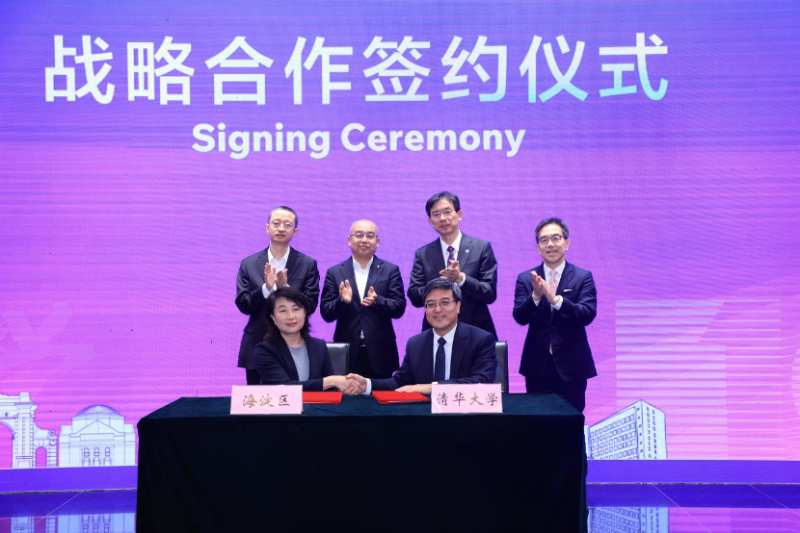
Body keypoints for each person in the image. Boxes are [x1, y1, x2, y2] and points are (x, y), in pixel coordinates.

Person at [347, 278, 496, 395]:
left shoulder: (481, 340)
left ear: (458, 306)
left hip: (465, 416)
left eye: (445, 302)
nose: (437, 309)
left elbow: (482, 382)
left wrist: (431, 388)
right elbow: (400, 382)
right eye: (431, 304)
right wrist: (367, 384)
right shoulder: (415, 344)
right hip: (424, 417)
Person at [513, 217, 597, 413]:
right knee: (538, 423)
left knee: (571, 421)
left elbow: (587, 314)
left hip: (572, 366)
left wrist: (556, 300)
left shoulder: (583, 277)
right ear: (538, 248)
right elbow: (519, 317)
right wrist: (535, 296)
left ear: (567, 243)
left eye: (555, 238)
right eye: (544, 240)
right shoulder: (526, 278)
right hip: (537, 366)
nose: (550, 244)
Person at [235, 206, 320, 385]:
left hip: (295, 345)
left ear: (295, 232)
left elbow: (311, 305)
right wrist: (266, 288)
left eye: (287, 225)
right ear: (268, 228)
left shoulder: (307, 264)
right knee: (259, 399)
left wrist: (286, 289)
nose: (281, 228)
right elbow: (243, 304)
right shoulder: (249, 264)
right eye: (276, 223)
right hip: (257, 343)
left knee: (295, 397)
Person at [320, 220, 406, 379]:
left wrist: (377, 301)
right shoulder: (335, 272)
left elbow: (399, 307)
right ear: (349, 240)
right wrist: (342, 302)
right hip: (347, 351)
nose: (364, 240)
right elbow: (326, 313)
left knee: (382, 394)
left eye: (370, 236)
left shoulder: (390, 270)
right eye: (359, 235)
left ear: (377, 241)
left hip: (381, 352)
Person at [407, 191, 498, 339]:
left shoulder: (481, 247)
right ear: (430, 221)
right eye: (436, 214)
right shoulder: (423, 254)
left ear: (459, 214)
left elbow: (489, 293)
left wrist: (461, 279)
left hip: (476, 332)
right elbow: (414, 296)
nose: (442, 218)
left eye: (447, 212)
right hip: (436, 333)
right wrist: (439, 284)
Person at [255, 288, 355, 392]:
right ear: (273, 317)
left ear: (305, 313)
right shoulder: (264, 351)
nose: (291, 316)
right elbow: (283, 387)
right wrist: (331, 381)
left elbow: (331, 390)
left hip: (318, 403)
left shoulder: (319, 346)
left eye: (296, 309)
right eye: (283, 310)